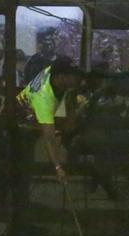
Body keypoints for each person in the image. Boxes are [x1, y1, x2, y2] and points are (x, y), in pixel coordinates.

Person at [15, 57, 83, 185]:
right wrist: (58, 168)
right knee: (23, 159)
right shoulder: (44, 99)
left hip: (33, 110)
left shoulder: (53, 71)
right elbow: (49, 139)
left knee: (70, 123)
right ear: (61, 77)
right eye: (72, 76)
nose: (76, 78)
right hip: (23, 119)